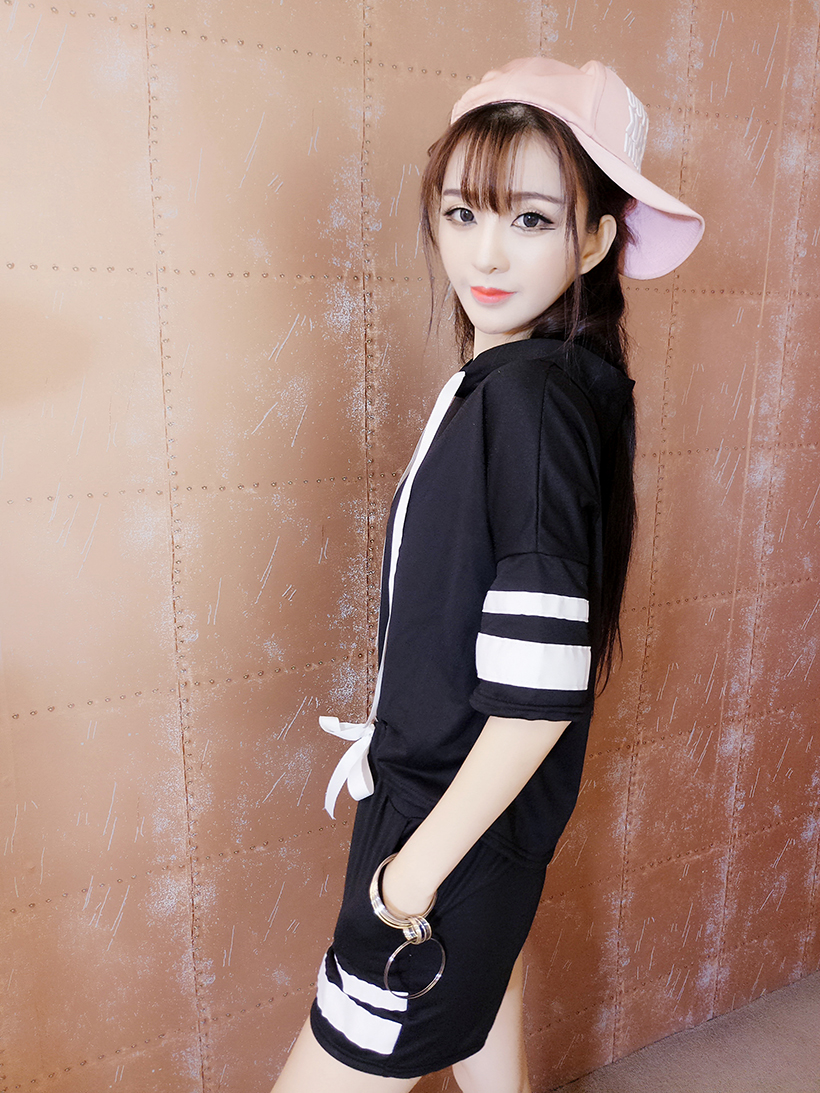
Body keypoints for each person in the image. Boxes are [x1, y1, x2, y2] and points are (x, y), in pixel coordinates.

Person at [270, 57, 704, 1093]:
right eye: (463, 212)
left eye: (532, 220)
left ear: (595, 239)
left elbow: (537, 697)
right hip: (460, 824)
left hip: (443, 836)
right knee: (487, 1019)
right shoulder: (536, 383)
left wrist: (406, 882)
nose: (486, 252)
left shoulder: (529, 403)